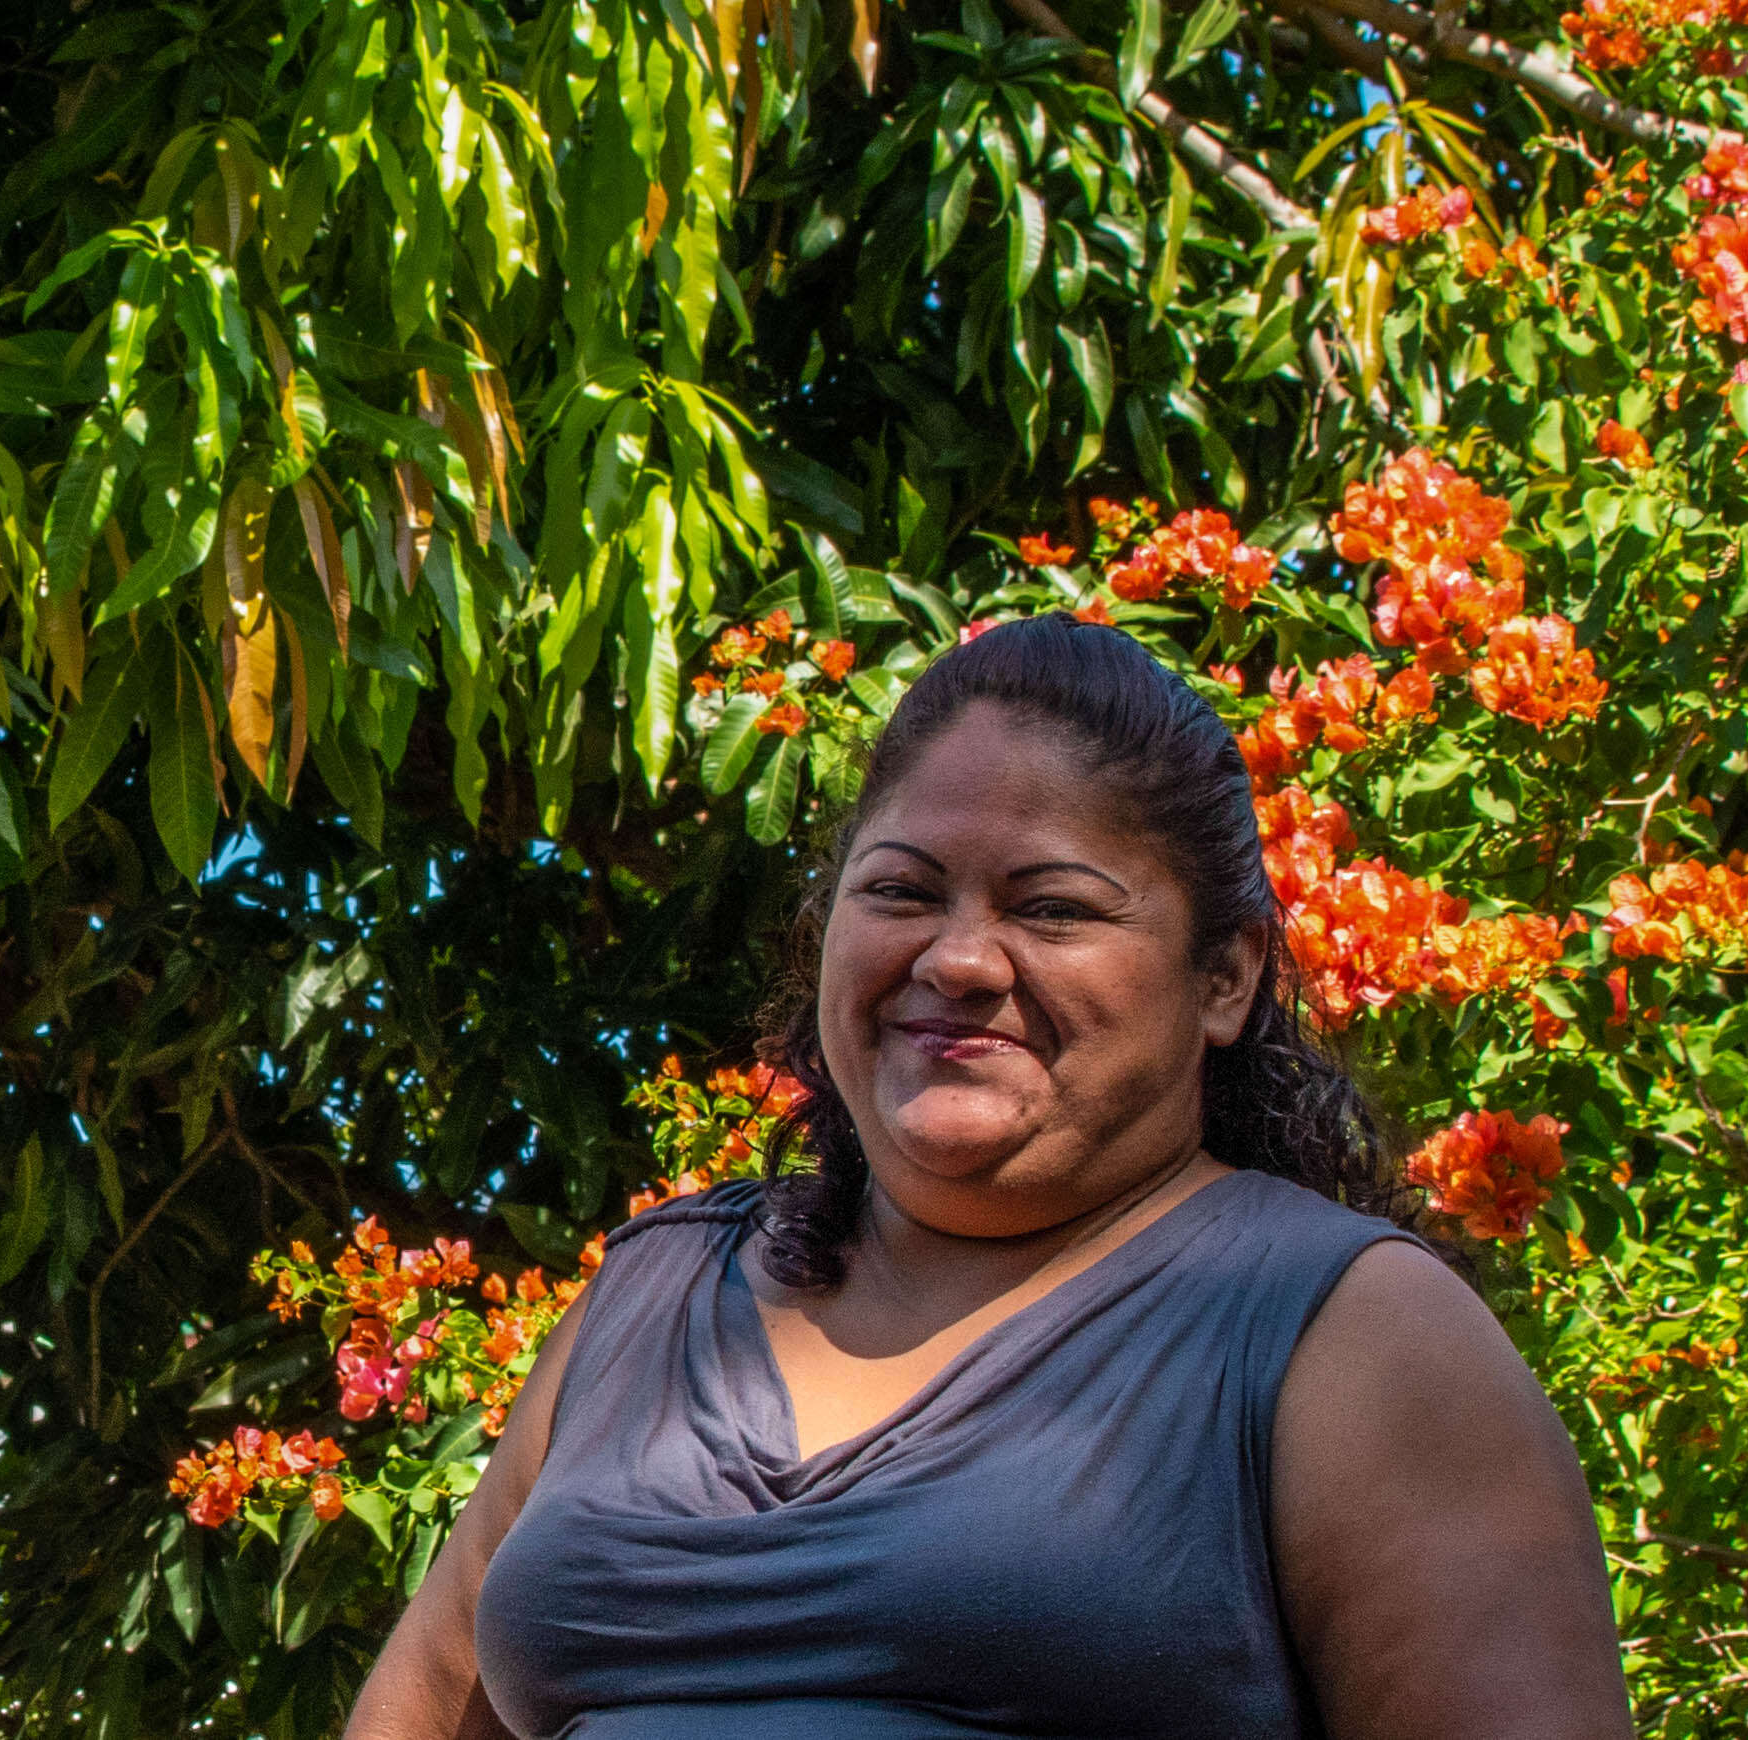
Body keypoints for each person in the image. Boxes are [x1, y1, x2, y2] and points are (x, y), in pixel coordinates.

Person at [345, 616, 1629, 1738]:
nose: (959, 959)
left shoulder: (1349, 1338)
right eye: (901, 890)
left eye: (1054, 907)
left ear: (1225, 978)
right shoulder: (653, 1300)